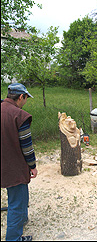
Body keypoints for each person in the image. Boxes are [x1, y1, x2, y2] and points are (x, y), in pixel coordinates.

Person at [1, 83, 38, 241]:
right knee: (16, 201)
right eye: (26, 98)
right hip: (13, 165)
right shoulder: (19, 115)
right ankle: (14, 239)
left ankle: (22, 220)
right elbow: (27, 146)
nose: (26, 101)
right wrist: (33, 166)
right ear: (21, 97)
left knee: (20, 195)